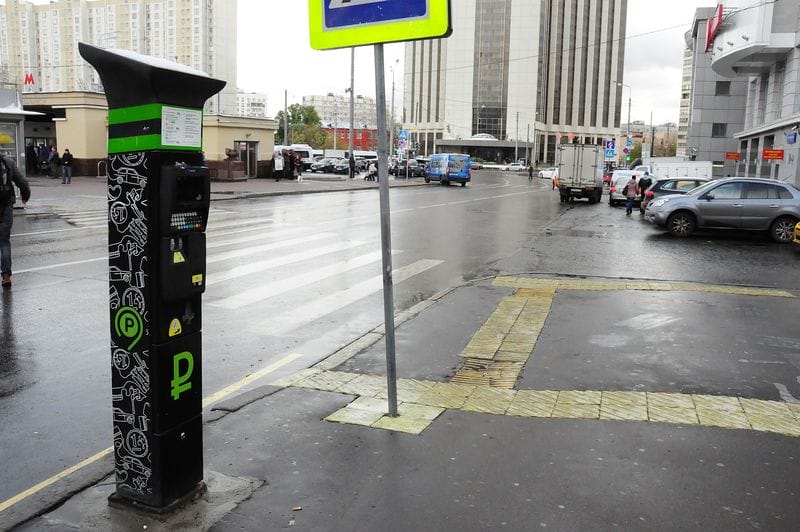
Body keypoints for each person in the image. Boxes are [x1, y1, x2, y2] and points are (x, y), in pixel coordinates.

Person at [0, 154, 31, 288]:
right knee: (4, 241)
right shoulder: (8, 162)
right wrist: (25, 196)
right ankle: (6, 276)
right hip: (5, 206)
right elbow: (23, 183)